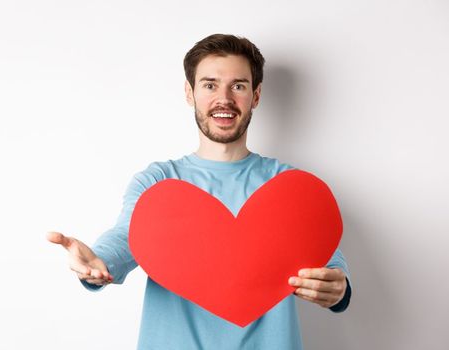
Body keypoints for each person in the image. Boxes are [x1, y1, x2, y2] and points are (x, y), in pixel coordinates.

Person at [46, 34, 351, 349]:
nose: (224, 98)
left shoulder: (289, 186)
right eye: (209, 85)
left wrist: (339, 287)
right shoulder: (159, 183)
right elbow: (127, 236)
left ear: (256, 96)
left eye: (238, 86)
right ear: (190, 93)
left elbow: (327, 257)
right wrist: (97, 260)